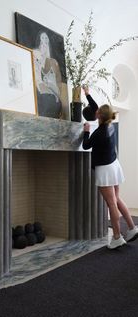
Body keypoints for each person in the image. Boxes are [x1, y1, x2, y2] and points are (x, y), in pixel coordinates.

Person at [82, 86, 138, 249]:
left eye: (97, 111)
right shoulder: (110, 124)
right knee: (117, 199)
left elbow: (86, 146)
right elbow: (96, 108)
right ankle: (132, 228)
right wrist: (88, 94)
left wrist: (86, 131)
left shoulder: (98, 133)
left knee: (111, 204)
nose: (96, 111)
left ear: (99, 115)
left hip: (105, 170)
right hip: (114, 165)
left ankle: (116, 237)